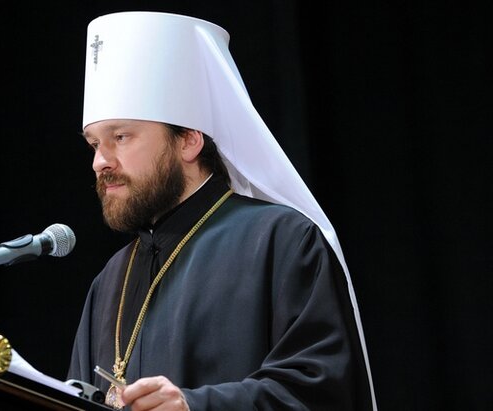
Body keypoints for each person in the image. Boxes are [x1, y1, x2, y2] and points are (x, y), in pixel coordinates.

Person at [68, 11, 377, 411]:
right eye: (94, 144)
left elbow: (323, 392)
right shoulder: (110, 281)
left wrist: (194, 407)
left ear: (189, 141)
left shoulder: (282, 239)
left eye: (121, 137)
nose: (100, 162)